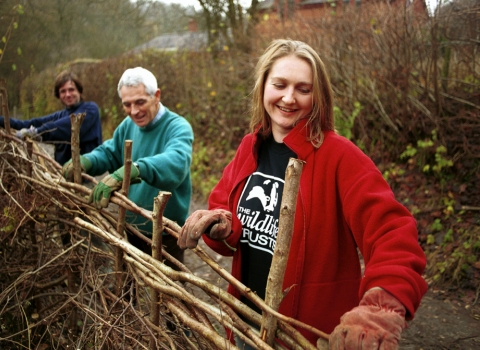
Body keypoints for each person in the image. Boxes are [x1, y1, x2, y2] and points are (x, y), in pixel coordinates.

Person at [177, 39, 427, 349]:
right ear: (263, 86)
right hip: (245, 323)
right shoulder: (249, 147)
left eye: (303, 89)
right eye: (279, 84)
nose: (289, 98)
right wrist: (218, 224)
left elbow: (392, 232)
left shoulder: (339, 157)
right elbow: (223, 212)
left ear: (318, 96)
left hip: (306, 336)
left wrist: (381, 305)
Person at [62, 66, 193, 269]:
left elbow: (175, 162)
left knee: (167, 292)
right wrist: (86, 161)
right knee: (129, 287)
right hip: (132, 226)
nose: (134, 111)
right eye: (127, 104)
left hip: (166, 233)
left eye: (140, 102)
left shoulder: (177, 127)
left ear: (156, 95)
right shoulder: (128, 125)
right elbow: (110, 151)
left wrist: (136, 169)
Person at [0, 71, 102, 165]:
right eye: (63, 91)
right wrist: (2, 121)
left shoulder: (90, 109)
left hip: (87, 177)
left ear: (79, 91)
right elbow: (31, 123)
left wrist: (38, 132)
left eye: (71, 90)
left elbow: (66, 126)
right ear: (59, 95)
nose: (68, 94)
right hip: (64, 176)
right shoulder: (59, 115)